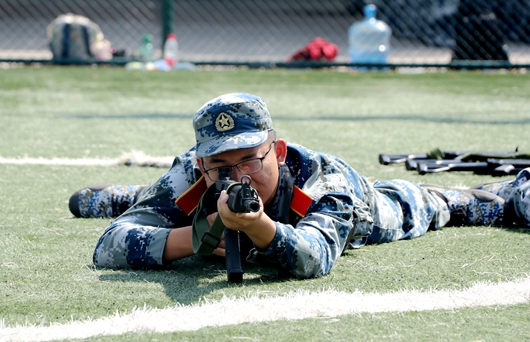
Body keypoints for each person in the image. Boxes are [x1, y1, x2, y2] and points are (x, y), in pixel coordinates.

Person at [69, 93, 530, 279]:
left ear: (278, 150)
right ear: (201, 161)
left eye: (250, 159)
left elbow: (314, 258)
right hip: (204, 216)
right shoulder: (190, 171)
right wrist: (196, 238)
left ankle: (490, 199)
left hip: (364, 209)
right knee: (161, 202)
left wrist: (255, 227)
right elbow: (107, 247)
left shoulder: (325, 180)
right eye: (220, 165)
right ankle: (136, 196)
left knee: (419, 207)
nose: (238, 176)